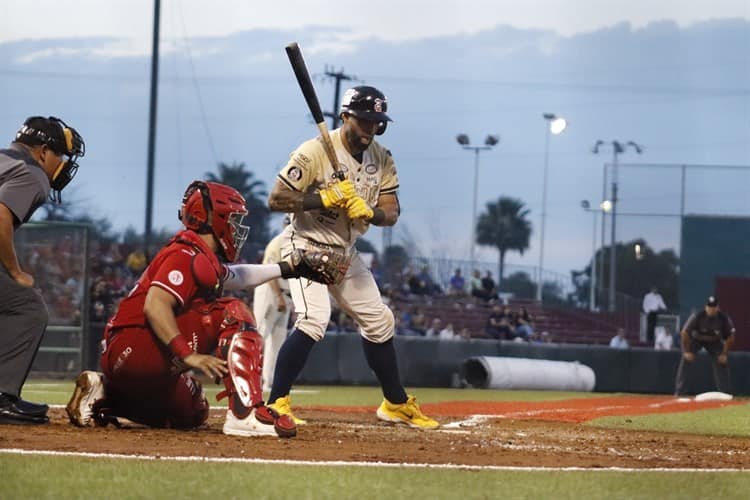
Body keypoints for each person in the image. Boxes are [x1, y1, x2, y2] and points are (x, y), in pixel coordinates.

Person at [64, 181, 335, 438]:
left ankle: (105, 396)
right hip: (134, 346)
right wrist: (188, 355)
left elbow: (237, 277)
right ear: (215, 218)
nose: (237, 229)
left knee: (193, 410)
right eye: (233, 220)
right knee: (233, 312)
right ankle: (245, 413)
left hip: (129, 359)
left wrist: (288, 267)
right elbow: (155, 304)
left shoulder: (199, 254)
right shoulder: (185, 252)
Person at [265, 85, 438, 429]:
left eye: (376, 122)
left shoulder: (383, 158)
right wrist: (323, 199)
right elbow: (277, 198)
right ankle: (276, 403)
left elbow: (392, 212)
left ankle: (395, 403)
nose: (370, 128)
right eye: (364, 121)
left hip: (345, 252)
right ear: (346, 117)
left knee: (379, 321)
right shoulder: (314, 151)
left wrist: (370, 212)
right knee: (315, 319)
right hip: (306, 243)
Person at [0, 116, 85, 425]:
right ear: (43, 151)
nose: (61, 164)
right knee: (28, 308)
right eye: (60, 156)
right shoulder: (33, 173)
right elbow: (1, 218)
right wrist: (15, 271)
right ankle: (2, 397)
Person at [253, 217, 292, 392]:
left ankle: (268, 381)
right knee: (260, 334)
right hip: (270, 292)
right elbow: (268, 271)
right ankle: (252, 377)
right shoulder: (277, 243)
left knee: (278, 341)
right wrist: (278, 296)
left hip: (286, 294)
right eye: (288, 223)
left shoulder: (297, 244)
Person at [674, 296, 736, 396]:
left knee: (721, 361)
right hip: (697, 339)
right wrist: (686, 351)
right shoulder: (698, 315)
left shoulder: (723, 317)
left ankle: (726, 393)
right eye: (709, 307)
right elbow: (684, 332)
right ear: (706, 307)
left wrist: (724, 354)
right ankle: (679, 392)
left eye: (714, 307)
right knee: (686, 360)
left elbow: (731, 336)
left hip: (714, 342)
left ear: (717, 308)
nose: (711, 309)